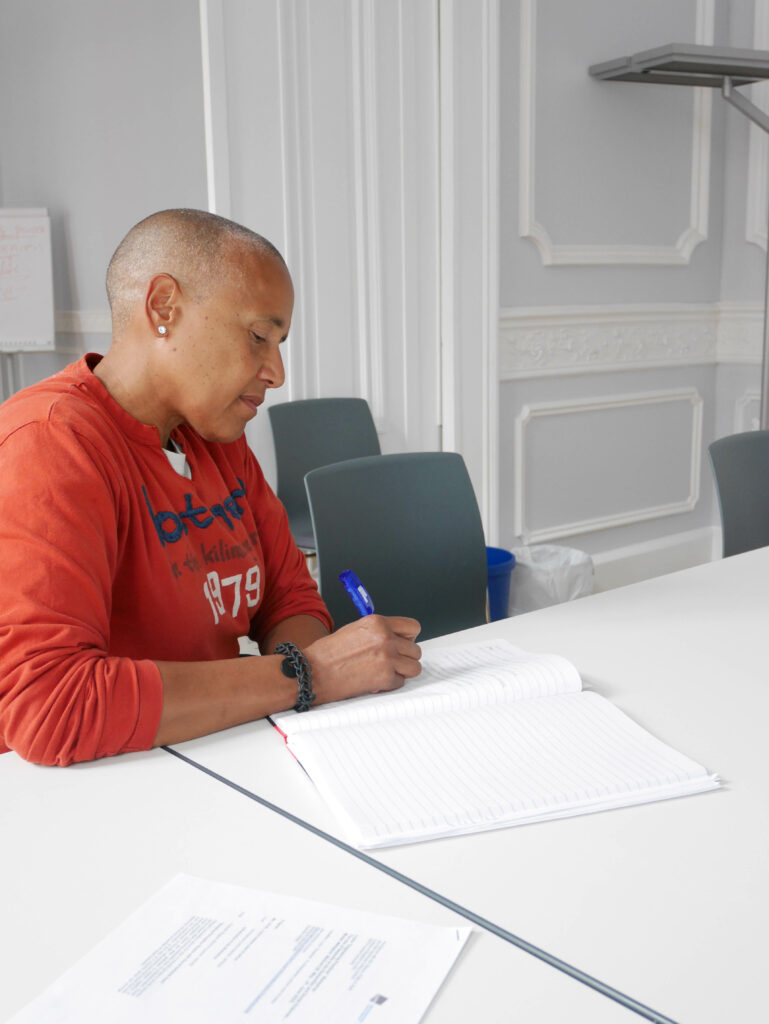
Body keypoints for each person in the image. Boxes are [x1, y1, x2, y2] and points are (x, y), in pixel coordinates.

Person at [0, 209, 422, 766]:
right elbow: (52, 707)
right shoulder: (51, 443)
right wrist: (308, 676)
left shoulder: (213, 434)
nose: (276, 371)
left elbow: (287, 597)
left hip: (209, 754)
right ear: (163, 308)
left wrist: (315, 689)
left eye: (280, 343)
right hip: (102, 784)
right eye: (257, 336)